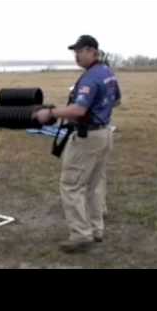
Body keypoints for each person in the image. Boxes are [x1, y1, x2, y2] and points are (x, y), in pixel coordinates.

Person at [34, 35, 121, 253]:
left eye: (80, 51)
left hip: (87, 138)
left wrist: (51, 112)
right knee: (91, 186)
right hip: (104, 134)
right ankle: (95, 228)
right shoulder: (108, 73)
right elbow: (116, 100)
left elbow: (79, 110)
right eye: (75, 51)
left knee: (71, 185)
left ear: (93, 51)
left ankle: (81, 235)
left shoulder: (91, 77)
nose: (76, 55)